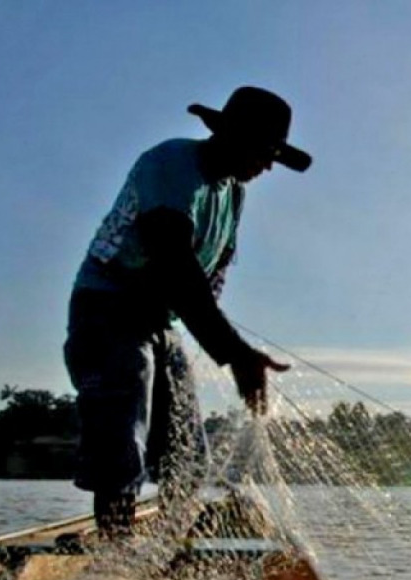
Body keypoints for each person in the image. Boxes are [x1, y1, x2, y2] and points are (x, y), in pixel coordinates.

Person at [64, 86, 309, 537]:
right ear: (229, 135)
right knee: (121, 442)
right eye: (263, 150)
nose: (268, 164)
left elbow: (204, 280)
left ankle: (170, 546)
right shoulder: (172, 166)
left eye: (275, 153)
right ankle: (114, 560)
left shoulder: (233, 193)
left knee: (187, 455)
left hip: (161, 321)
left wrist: (228, 346)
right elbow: (174, 263)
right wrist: (234, 352)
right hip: (107, 309)